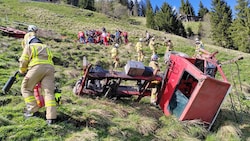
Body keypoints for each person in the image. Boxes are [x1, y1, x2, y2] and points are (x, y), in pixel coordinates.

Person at [19, 36, 57, 125]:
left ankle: (33, 111)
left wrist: (22, 70)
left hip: (37, 67)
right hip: (50, 68)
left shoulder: (30, 46)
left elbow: (23, 60)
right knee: (48, 93)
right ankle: (51, 117)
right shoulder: (46, 47)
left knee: (26, 88)